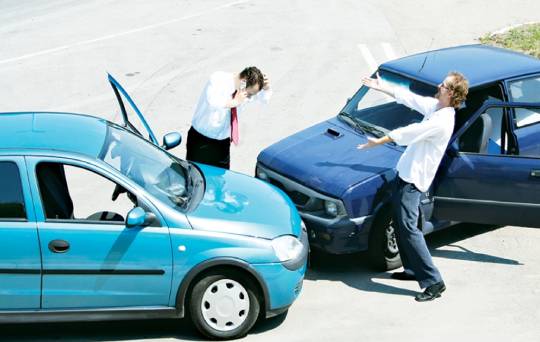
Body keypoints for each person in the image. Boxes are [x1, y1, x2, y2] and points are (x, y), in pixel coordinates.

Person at [358, 71, 469, 301]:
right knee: (402, 224)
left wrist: (381, 140)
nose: (438, 85)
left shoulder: (442, 120)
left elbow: (411, 132)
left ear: (450, 93)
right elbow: (409, 97)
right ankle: (412, 270)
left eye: (443, 84)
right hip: (407, 174)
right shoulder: (436, 108)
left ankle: (434, 281)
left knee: (409, 229)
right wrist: (381, 86)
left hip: (413, 181)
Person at [186, 66, 271, 169]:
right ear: (243, 82)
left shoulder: (243, 92)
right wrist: (234, 102)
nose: (249, 97)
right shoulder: (218, 79)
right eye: (249, 94)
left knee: (222, 179)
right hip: (201, 141)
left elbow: (264, 100)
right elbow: (212, 101)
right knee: (195, 178)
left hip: (222, 144)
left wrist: (266, 89)